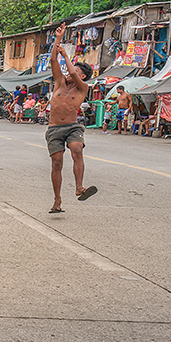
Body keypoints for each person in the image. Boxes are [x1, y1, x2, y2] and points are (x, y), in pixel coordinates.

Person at [46, 23, 97, 214]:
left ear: (83, 75)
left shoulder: (82, 87)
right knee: (57, 163)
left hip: (72, 126)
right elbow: (52, 60)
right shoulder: (59, 83)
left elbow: (74, 74)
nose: (68, 72)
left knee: (77, 149)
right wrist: (58, 39)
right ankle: (57, 200)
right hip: (54, 129)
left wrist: (66, 56)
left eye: (74, 70)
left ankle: (79, 187)